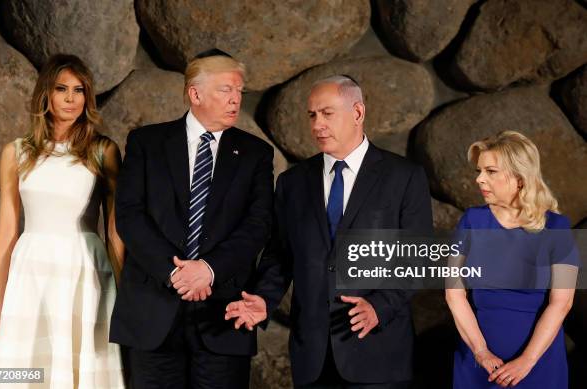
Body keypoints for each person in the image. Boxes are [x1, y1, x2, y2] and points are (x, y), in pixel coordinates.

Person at [225, 75, 432, 388]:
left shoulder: (404, 177)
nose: (317, 124)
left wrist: (380, 306)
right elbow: (280, 256)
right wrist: (264, 300)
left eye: (327, 113)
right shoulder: (292, 184)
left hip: (378, 354)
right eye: (312, 115)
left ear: (358, 113)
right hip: (313, 359)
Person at [109, 50, 274, 388]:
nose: (236, 99)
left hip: (223, 315)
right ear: (195, 94)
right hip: (152, 311)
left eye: (240, 91)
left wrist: (207, 270)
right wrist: (176, 273)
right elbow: (129, 216)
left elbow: (257, 225)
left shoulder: (256, 153)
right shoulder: (146, 143)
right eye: (226, 89)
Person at [0, 54, 125, 387]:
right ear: (46, 93)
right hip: (29, 270)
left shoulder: (103, 151)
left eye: (79, 90)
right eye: (62, 89)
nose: (71, 98)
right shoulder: (16, 152)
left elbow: (115, 230)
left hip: (84, 271)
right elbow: (6, 231)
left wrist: (122, 292)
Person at [446, 131, 579, 388]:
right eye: (479, 171)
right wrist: (480, 351)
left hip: (539, 362)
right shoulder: (471, 221)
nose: (479, 179)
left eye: (490, 171)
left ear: (520, 177)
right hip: (476, 361)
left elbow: (562, 303)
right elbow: (454, 293)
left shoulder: (558, 228)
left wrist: (527, 360)